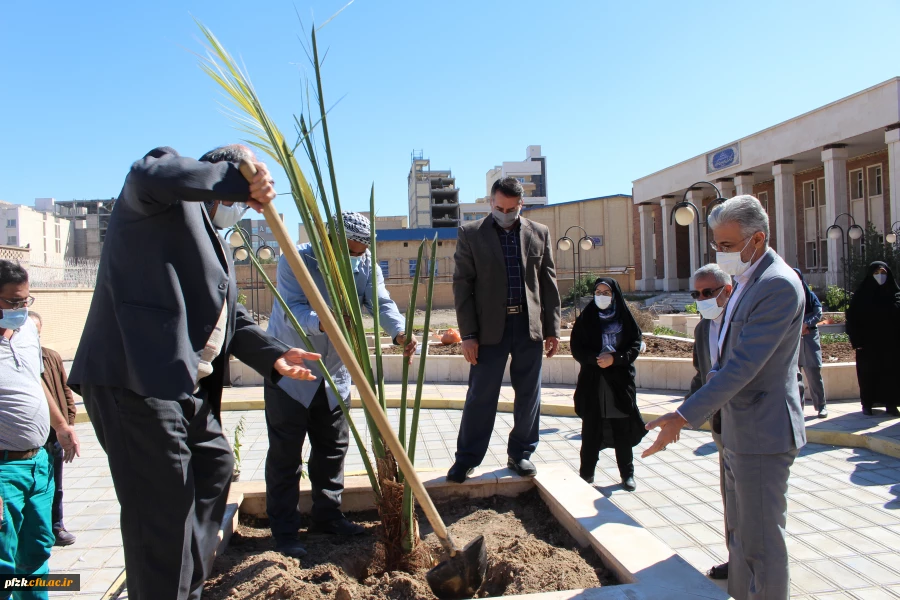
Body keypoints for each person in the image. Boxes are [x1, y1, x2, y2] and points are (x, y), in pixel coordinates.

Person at [67, 146, 321, 600]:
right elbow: (148, 171)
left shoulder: (219, 245)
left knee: (215, 463)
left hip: (184, 387)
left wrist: (274, 356)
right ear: (220, 172)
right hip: (136, 379)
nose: (244, 204)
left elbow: (232, 318)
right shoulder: (157, 205)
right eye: (244, 188)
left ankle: (187, 586)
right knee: (162, 514)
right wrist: (235, 177)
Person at [643, 195, 806, 600]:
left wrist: (683, 415)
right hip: (737, 428)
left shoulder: (778, 286)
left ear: (758, 239)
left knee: (762, 541)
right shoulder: (751, 280)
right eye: (717, 245)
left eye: (728, 246)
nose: (721, 253)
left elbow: (743, 366)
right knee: (741, 538)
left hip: (762, 432)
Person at [265, 212, 417, 557]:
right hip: (292, 368)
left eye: (360, 250)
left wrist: (398, 331)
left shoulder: (364, 265)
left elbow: (380, 301)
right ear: (330, 241)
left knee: (332, 449)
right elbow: (292, 307)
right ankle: (286, 532)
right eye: (348, 250)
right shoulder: (296, 259)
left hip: (335, 372)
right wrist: (324, 322)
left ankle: (327, 516)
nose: (355, 257)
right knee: (286, 455)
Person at [449, 177, 561, 482]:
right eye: (499, 207)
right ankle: (467, 458)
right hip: (487, 332)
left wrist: (553, 329)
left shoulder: (540, 233)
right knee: (480, 396)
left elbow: (548, 284)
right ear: (490, 202)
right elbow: (462, 287)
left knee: (529, 395)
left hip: (529, 328)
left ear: (521, 204)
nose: (505, 212)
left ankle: (521, 454)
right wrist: (468, 336)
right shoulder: (472, 234)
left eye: (511, 208)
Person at [0, 262, 80, 600]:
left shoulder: (27, 332)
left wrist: (61, 426)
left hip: (39, 463)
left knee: (36, 552)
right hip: (4, 469)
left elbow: (35, 382)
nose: (20, 309)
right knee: (4, 560)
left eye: (25, 301)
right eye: (12, 303)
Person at [570, 278, 645, 491]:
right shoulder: (587, 319)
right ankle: (586, 473)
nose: (601, 296)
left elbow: (634, 346)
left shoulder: (625, 319)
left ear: (615, 295)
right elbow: (577, 348)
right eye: (598, 291)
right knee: (591, 431)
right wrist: (595, 360)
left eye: (607, 292)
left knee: (622, 430)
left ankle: (627, 474)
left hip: (619, 384)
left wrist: (616, 359)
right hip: (593, 383)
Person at [686, 263, 734, 581]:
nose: (702, 299)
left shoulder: (743, 322)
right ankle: (736, 556)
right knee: (730, 496)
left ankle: (758, 564)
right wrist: (686, 415)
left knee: (754, 502)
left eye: (708, 293)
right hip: (722, 427)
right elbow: (700, 375)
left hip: (751, 426)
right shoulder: (703, 329)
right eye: (697, 293)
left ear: (726, 291)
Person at [28, 312, 77, 547]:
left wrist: (68, 424)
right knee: (35, 485)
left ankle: (56, 526)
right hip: (31, 436)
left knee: (55, 485)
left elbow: (65, 392)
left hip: (54, 435)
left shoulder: (51, 357)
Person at [846, 261, 900, 417]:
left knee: (892, 375)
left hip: (891, 345)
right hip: (868, 346)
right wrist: (857, 342)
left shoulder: (895, 294)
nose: (880, 276)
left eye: (883, 273)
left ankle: (891, 404)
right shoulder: (861, 296)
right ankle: (867, 404)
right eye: (877, 273)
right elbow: (852, 320)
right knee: (868, 375)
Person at [792, 268, 827, 418]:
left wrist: (806, 324)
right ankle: (798, 409)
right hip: (793, 338)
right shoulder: (787, 297)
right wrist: (797, 327)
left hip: (810, 336)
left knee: (813, 372)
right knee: (795, 375)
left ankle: (821, 406)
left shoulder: (810, 296)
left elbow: (818, 312)